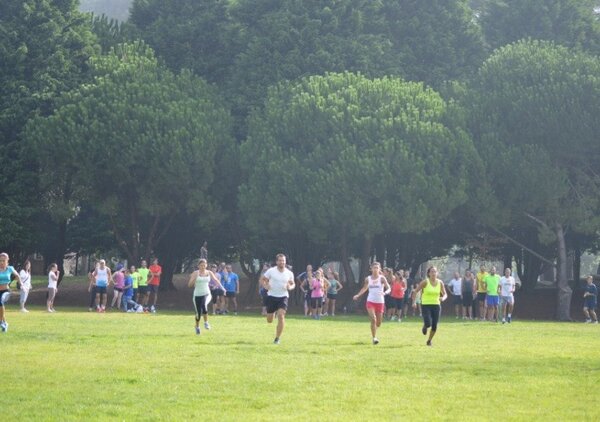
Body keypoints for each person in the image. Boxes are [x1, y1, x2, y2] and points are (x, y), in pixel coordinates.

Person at [353, 262, 391, 345]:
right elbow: (364, 288)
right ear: (371, 269)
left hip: (380, 302)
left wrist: (385, 292)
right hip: (370, 301)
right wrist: (358, 295)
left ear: (379, 269)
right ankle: (374, 338)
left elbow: (389, 288)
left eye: (377, 268)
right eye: (374, 268)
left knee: (379, 323)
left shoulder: (382, 278)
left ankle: (374, 330)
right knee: (373, 319)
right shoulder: (368, 279)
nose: (375, 269)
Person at [261, 254, 295, 344]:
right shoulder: (271, 271)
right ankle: (273, 313)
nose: (282, 262)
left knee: (281, 315)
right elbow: (262, 279)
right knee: (269, 320)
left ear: (285, 262)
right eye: (280, 260)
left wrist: (290, 287)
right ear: (276, 262)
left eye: (283, 260)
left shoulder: (289, 273)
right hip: (271, 296)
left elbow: (293, 284)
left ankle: (277, 338)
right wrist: (265, 286)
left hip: (283, 297)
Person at [412, 266, 448, 346]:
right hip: (426, 305)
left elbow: (445, 294)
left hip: (436, 305)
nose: (433, 273)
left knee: (434, 325)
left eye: (435, 272)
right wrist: (414, 302)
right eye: (432, 272)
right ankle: (425, 326)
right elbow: (415, 291)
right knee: (428, 323)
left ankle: (429, 340)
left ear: (437, 273)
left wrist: (443, 298)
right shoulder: (425, 282)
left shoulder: (440, 282)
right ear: (429, 273)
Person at [188, 259, 225, 334]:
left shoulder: (209, 272)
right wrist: (195, 278)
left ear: (206, 265)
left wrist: (222, 288)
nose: (203, 267)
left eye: (204, 265)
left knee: (204, 305)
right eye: (201, 265)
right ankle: (197, 326)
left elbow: (216, 280)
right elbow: (189, 285)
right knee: (198, 313)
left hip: (207, 293)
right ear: (198, 266)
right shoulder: (195, 273)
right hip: (197, 295)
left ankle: (206, 322)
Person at [0, 253, 21, 332]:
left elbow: (17, 276)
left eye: (3, 260)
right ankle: (5, 323)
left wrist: (20, 284)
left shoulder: (10, 268)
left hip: (6, 291)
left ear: (7, 260)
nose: (1, 262)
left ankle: (1, 322)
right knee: (0, 307)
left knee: (1, 302)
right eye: (0, 260)